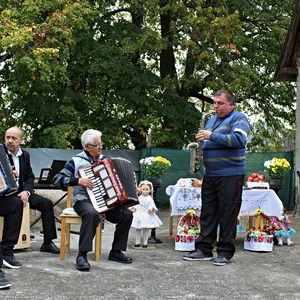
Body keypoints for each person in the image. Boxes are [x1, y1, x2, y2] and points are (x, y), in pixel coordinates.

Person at [183, 90, 250, 266]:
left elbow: (238, 140)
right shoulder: (212, 120)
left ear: (231, 105)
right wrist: (203, 152)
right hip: (210, 174)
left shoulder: (239, 118)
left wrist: (210, 136)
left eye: (220, 103)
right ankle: (204, 249)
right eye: (214, 103)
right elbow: (213, 141)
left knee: (228, 214)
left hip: (230, 174)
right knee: (207, 213)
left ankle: (225, 252)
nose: (216, 106)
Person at [52, 129, 133, 271]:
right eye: (97, 145)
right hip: (83, 201)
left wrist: (130, 190)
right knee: (92, 213)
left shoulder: (105, 161)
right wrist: (77, 180)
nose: (101, 147)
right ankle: (82, 255)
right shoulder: (76, 161)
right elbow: (57, 179)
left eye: (101, 144)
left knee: (126, 214)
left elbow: (118, 182)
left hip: (106, 202)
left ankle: (116, 251)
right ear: (87, 146)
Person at [3, 127, 60, 265]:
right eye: (7, 137)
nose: (10, 141)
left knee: (46, 204)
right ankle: (7, 250)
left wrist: (27, 192)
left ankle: (47, 242)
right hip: (5, 195)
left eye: (14, 138)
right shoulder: (0, 153)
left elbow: (29, 177)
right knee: (15, 205)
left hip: (21, 191)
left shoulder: (25, 155)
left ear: (21, 140)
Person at [131, 181, 162, 248]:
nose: (145, 191)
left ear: (150, 190)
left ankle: (145, 243)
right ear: (140, 190)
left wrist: (151, 208)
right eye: (143, 189)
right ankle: (137, 242)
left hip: (146, 214)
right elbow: (137, 204)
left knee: (146, 229)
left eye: (147, 189)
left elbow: (152, 205)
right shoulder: (139, 198)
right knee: (138, 229)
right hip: (139, 214)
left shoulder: (150, 199)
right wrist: (134, 208)